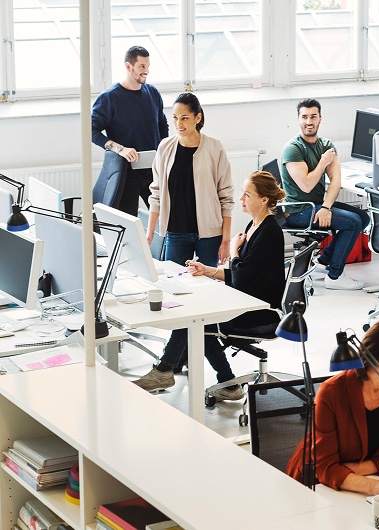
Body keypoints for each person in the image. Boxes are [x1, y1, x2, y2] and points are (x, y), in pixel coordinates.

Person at [133, 170, 286, 399]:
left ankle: (169, 371)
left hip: (260, 311)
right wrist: (209, 271)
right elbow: (243, 274)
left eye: (247, 195)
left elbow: (242, 276)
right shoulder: (254, 226)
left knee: (197, 321)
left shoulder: (269, 232)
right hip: (247, 298)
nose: (241, 199)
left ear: (264, 200)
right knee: (196, 316)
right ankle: (224, 382)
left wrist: (234, 249)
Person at [133, 92, 235, 391]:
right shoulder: (165, 148)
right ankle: (223, 379)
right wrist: (150, 232)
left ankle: (167, 367)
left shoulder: (214, 149)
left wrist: (226, 238)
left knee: (201, 302)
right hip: (175, 231)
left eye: (185, 118)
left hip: (209, 234)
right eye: (175, 118)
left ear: (198, 117)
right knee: (179, 302)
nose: (179, 124)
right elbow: (155, 194)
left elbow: (226, 196)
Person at [286, 317, 379, 499]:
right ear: (367, 360)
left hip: (360, 480)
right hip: (315, 485)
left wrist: (363, 469)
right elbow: (325, 467)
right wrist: (374, 486)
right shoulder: (331, 392)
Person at [280, 98, 370, 290]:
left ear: (320, 118)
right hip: (299, 211)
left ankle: (324, 261)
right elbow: (306, 185)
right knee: (353, 223)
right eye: (304, 117)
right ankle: (334, 276)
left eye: (313, 116)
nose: (309, 122)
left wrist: (327, 207)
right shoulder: (293, 149)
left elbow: (336, 180)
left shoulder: (326, 144)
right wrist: (322, 162)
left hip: (317, 206)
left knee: (363, 217)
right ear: (298, 120)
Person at [91, 45, 169, 216]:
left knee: (166, 218)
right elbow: (91, 131)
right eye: (142, 66)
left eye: (148, 66)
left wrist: (163, 151)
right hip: (126, 174)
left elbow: (163, 125)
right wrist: (120, 149)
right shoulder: (109, 98)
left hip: (154, 171)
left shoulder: (153, 93)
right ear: (128, 66)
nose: (146, 71)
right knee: (127, 221)